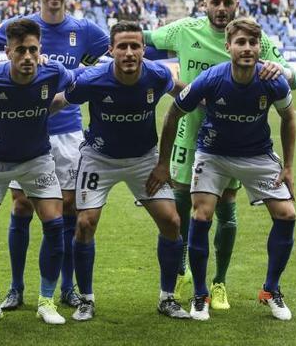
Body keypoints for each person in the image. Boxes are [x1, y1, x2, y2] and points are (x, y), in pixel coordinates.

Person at [144, 0, 296, 310]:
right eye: (215, 2)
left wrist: (279, 71)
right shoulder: (184, 30)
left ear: (235, 4)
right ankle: (184, 271)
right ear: (205, 4)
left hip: (237, 140)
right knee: (182, 208)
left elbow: (292, 78)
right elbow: (141, 40)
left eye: (228, 2)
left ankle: (219, 284)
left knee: (226, 209)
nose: (221, 8)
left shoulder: (257, 38)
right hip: (192, 136)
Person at [0, 0, 109, 311]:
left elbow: (102, 66)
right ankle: (16, 288)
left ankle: (65, 288)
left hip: (67, 133)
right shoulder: (21, 29)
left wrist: (66, 83)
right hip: (24, 133)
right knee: (21, 206)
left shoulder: (85, 31)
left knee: (66, 209)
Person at [47, 22, 190, 322]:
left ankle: (168, 297)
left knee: (171, 220)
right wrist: (30, 113)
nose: (128, 52)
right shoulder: (93, 78)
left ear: (143, 50)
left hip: (144, 160)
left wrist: (204, 96)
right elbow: (61, 101)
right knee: (85, 222)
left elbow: (180, 92)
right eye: (122, 47)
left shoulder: (157, 74)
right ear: (111, 50)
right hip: (100, 158)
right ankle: (86, 299)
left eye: (135, 46)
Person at [0, 19, 73, 326]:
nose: (27, 56)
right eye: (20, 50)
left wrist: (52, 105)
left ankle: (47, 302)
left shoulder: (55, 73)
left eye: (33, 50)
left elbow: (78, 88)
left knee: (55, 224)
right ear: (7, 52)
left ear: (41, 50)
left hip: (37, 160)